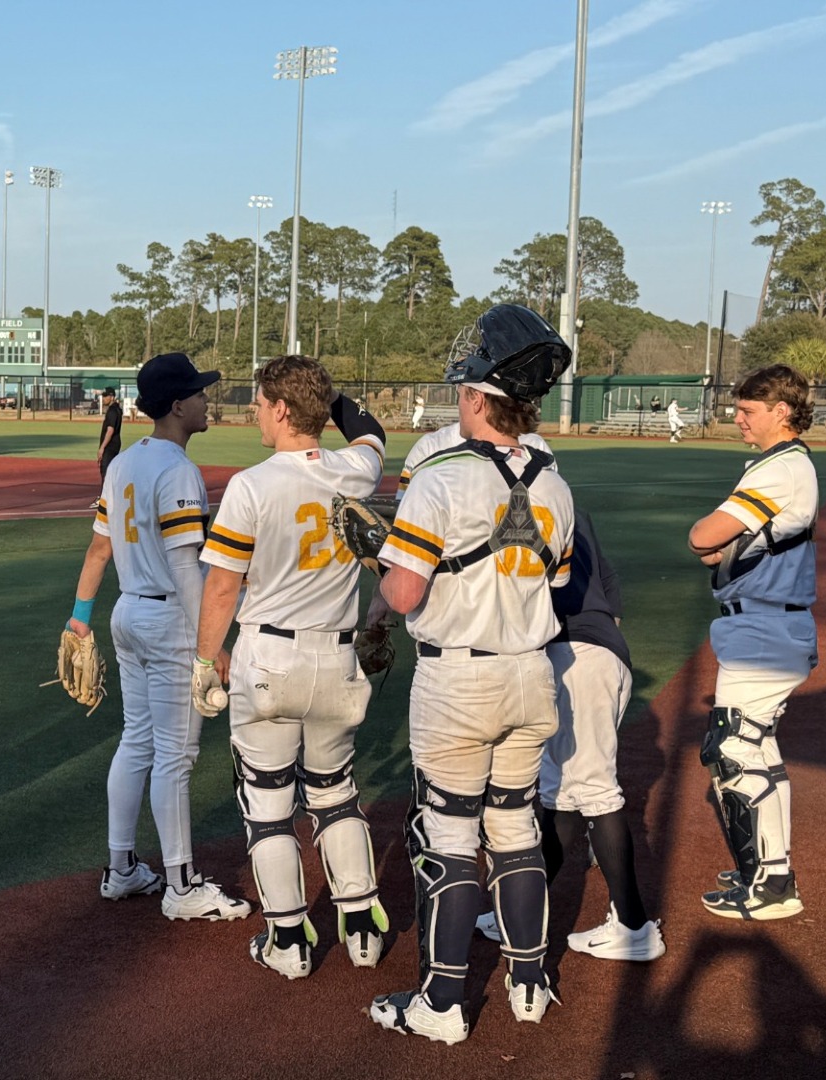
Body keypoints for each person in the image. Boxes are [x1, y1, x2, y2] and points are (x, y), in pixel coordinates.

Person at [368, 303, 575, 1045]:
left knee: (449, 838)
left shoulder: (441, 476)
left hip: (459, 679)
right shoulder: (555, 481)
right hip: (531, 672)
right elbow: (558, 581)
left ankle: (442, 1006)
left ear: (478, 397)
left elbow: (402, 593)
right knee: (515, 827)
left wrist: (381, 553)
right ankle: (528, 983)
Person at [193, 355, 388, 980]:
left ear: (280, 408)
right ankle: (361, 928)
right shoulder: (356, 470)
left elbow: (223, 587)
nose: (253, 410)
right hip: (337, 655)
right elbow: (371, 432)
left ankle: (289, 942)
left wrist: (202, 661)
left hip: (269, 656)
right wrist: (327, 400)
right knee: (335, 793)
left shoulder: (251, 485)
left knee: (268, 803)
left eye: (259, 401)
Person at [66, 352, 252, 923]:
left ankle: (122, 870)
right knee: (176, 755)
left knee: (137, 741)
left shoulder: (123, 462)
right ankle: (181, 885)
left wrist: (79, 616)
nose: (205, 400)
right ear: (177, 405)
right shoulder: (176, 470)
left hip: (127, 613)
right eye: (198, 393)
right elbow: (183, 564)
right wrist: (211, 645)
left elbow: (100, 548)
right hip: (171, 619)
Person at [476, 509, 664, 961]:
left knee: (593, 789)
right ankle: (516, 911)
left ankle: (635, 928)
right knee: (562, 793)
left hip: (574, 654)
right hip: (595, 652)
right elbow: (610, 582)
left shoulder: (512, 506)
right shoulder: (564, 503)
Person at [687, 364, 818, 921]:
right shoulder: (781, 465)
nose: (737, 418)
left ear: (781, 411)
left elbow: (703, 537)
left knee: (738, 749)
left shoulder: (781, 469)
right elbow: (717, 550)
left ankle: (771, 887)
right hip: (765, 623)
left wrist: (722, 537)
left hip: (765, 627)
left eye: (749, 410)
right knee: (753, 749)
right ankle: (765, 868)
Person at [97, 387, 124, 480]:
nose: (103, 398)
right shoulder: (117, 409)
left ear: (112, 397)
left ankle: (105, 494)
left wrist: (102, 447)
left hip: (110, 446)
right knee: (112, 472)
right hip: (115, 444)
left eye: (106, 396)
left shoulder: (112, 411)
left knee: (106, 472)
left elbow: (110, 430)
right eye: (103, 396)